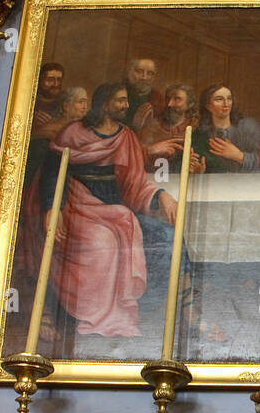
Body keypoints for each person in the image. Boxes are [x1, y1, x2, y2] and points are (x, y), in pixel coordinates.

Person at [21, 82, 180, 339]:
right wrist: (53, 208)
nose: (125, 106)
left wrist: (161, 196)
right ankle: (93, 314)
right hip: (72, 204)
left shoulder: (125, 136)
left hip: (108, 209)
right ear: (104, 103)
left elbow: (135, 183)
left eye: (126, 100)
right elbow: (52, 173)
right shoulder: (73, 133)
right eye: (120, 100)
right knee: (101, 241)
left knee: (128, 223)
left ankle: (112, 313)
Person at [191, 84, 260, 172]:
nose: (226, 104)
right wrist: (199, 169)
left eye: (229, 98)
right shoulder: (200, 134)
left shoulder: (248, 126)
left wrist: (239, 155)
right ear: (208, 106)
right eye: (219, 99)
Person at [24, 62, 66, 187]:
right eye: (50, 80)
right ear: (40, 80)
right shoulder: (30, 103)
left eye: (59, 80)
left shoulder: (65, 103)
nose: (56, 84)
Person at [139, 83, 197, 165]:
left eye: (177, 99)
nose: (170, 104)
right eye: (168, 99)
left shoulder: (196, 128)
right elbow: (136, 157)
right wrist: (150, 150)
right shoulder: (152, 126)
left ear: (190, 104)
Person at [123, 57, 164, 132]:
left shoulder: (158, 98)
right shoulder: (117, 92)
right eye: (139, 71)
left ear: (154, 77)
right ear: (130, 72)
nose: (144, 77)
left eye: (150, 73)